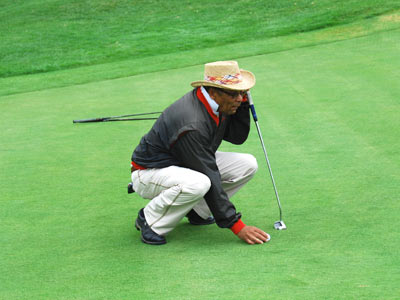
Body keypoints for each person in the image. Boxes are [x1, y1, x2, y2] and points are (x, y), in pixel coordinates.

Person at [130, 61, 270, 245]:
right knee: (200, 182)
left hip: (183, 163)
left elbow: (237, 137)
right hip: (149, 172)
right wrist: (237, 226)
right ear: (213, 91)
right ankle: (150, 220)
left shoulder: (219, 103)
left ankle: (197, 211)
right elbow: (208, 171)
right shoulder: (193, 123)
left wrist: (243, 105)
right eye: (234, 93)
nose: (239, 98)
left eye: (242, 92)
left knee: (247, 164)